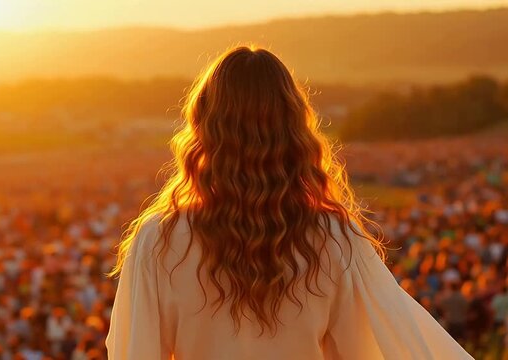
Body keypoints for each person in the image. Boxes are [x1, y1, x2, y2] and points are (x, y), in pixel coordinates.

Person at [104, 45, 474, 359]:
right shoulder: (334, 236)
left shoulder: (159, 240)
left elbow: (134, 351)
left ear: (203, 126)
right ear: (295, 127)